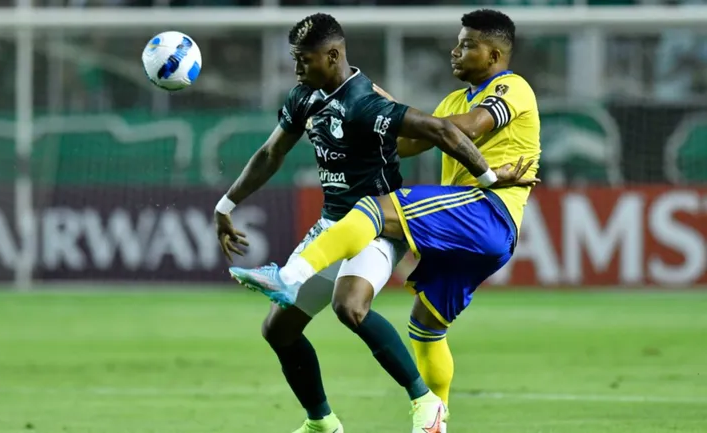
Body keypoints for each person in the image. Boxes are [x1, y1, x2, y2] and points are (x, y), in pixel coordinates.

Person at [228, 8, 541, 431]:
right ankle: (433, 420)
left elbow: (465, 128)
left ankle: (290, 275)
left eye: (467, 45)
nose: (455, 51)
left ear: (494, 55)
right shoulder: (450, 101)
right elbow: (410, 142)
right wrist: (387, 115)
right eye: (457, 42)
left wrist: (406, 116)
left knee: (375, 208)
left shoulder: (512, 87)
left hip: (487, 210)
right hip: (464, 225)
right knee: (426, 328)